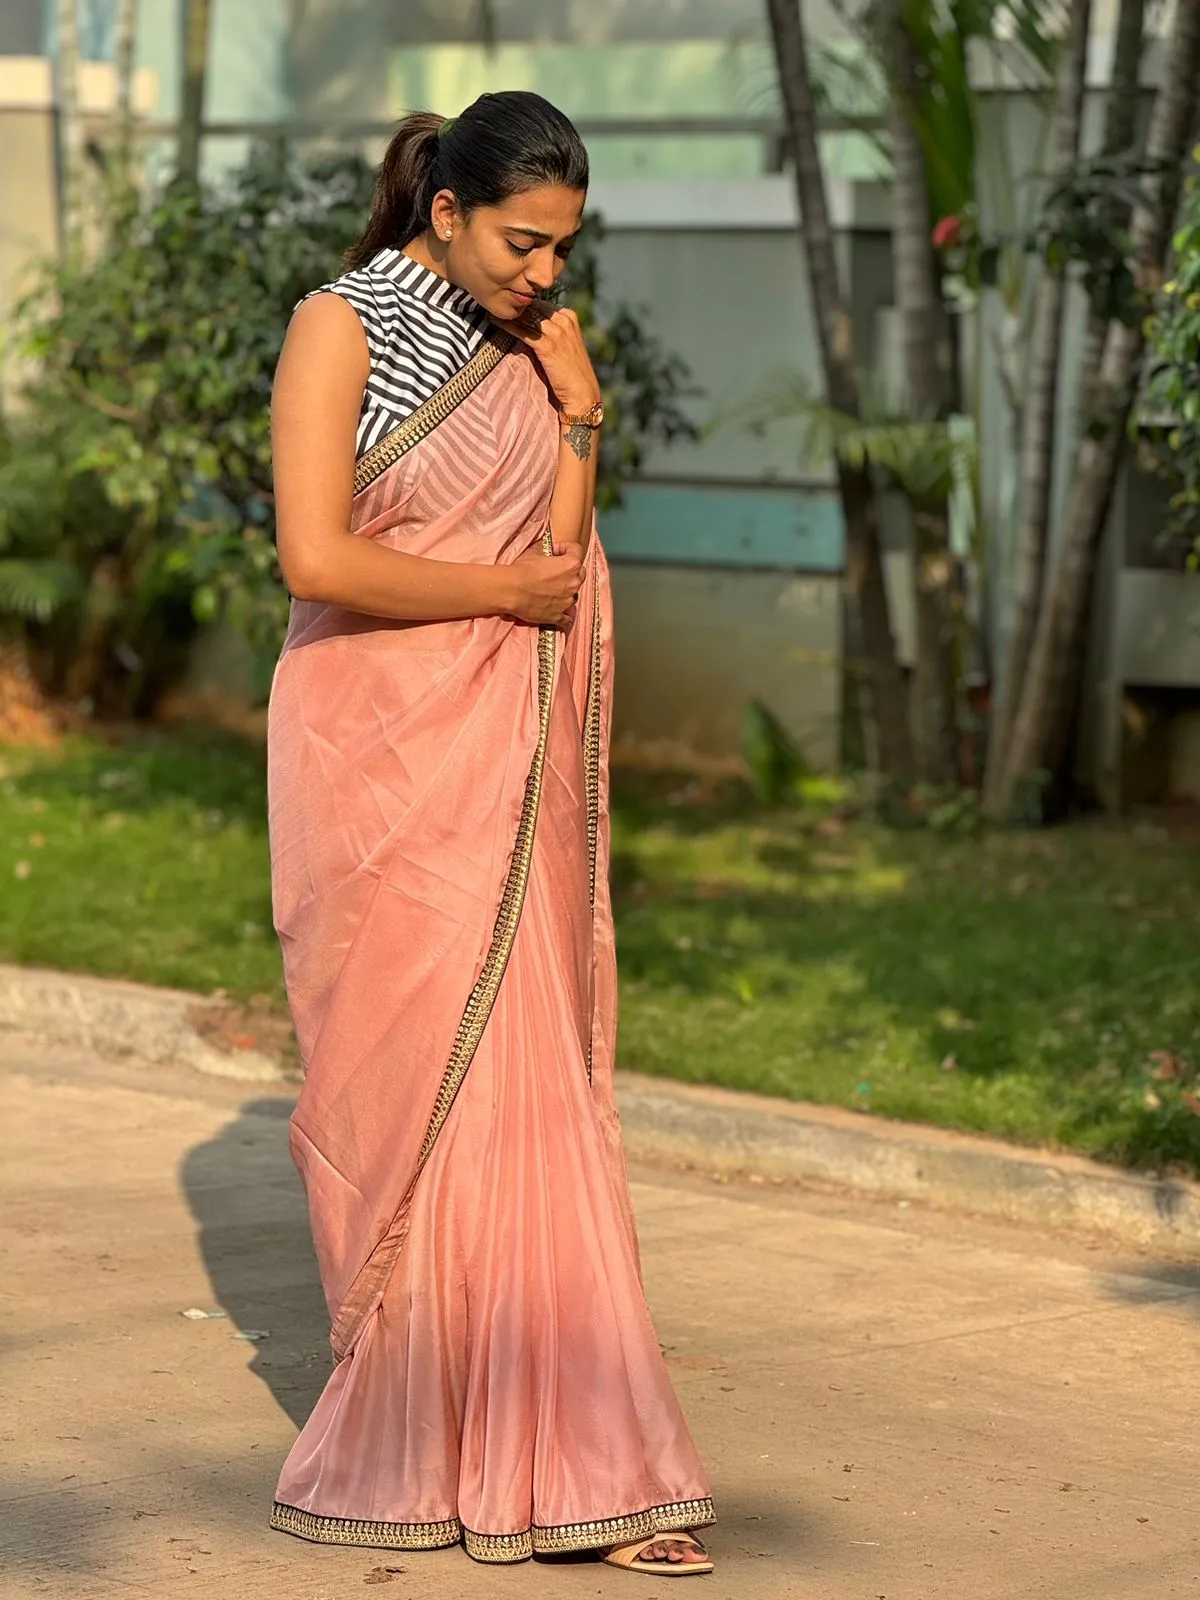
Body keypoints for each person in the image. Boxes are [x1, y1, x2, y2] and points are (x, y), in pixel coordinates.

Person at [265, 91, 715, 1576]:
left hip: (499, 762)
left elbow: (559, 573)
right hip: (373, 756)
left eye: (565, 250)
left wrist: (581, 411)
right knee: (411, 1092)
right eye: (526, 244)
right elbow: (318, 554)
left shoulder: (536, 347)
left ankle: (585, 1456)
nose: (547, 275)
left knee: (531, 1096)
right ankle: (424, 1434)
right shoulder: (344, 326)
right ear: (444, 210)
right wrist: (494, 599)